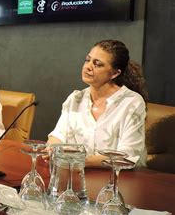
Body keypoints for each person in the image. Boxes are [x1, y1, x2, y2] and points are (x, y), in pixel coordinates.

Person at [47, 39, 148, 167]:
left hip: (122, 179)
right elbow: (58, 136)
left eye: (98, 64)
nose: (88, 67)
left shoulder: (132, 102)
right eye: (87, 60)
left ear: (115, 73)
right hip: (81, 175)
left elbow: (126, 156)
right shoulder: (75, 99)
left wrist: (77, 160)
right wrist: (52, 150)